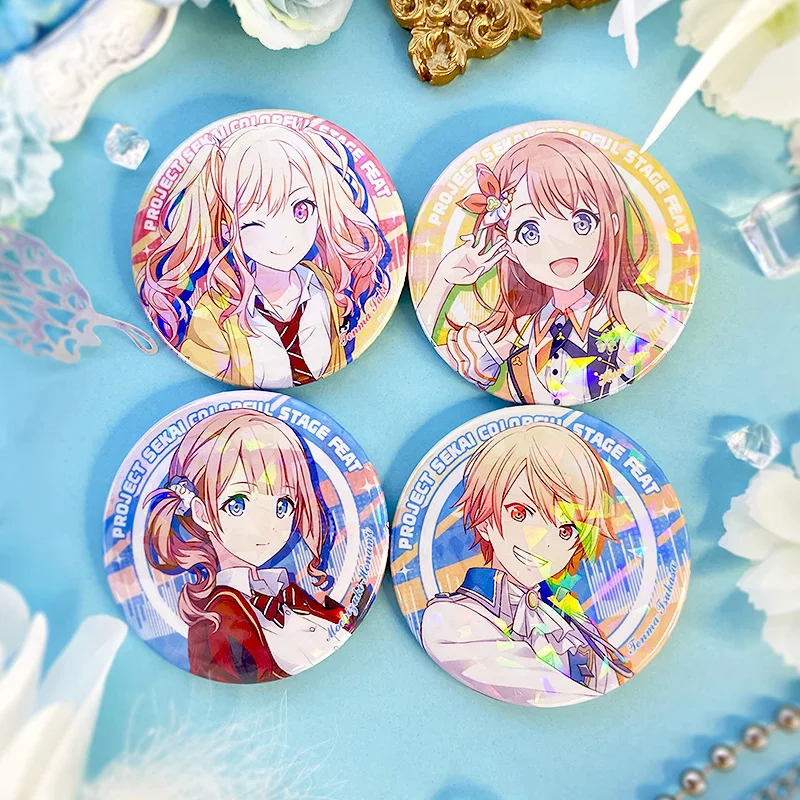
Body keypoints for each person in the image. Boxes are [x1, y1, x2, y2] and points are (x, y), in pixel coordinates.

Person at [417, 132, 683, 404]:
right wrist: (444, 279)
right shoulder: (523, 330)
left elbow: (669, 331)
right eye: (530, 232)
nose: (558, 244)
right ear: (509, 247)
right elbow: (439, 349)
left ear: (611, 226)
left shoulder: (624, 309)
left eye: (581, 222)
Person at [137, 125, 390, 388]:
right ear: (226, 228)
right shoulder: (212, 317)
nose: (285, 237)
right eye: (255, 223)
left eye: (301, 210)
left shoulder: (326, 287)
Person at [421, 422, 633, 706]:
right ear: (484, 519)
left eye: (566, 530)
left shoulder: (572, 622)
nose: (542, 542)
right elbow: (538, 689)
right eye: (520, 513)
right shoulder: (450, 619)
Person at [144, 409, 348, 683]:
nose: (268, 525)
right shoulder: (214, 624)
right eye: (238, 504)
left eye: (283, 505)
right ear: (202, 513)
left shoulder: (286, 593)